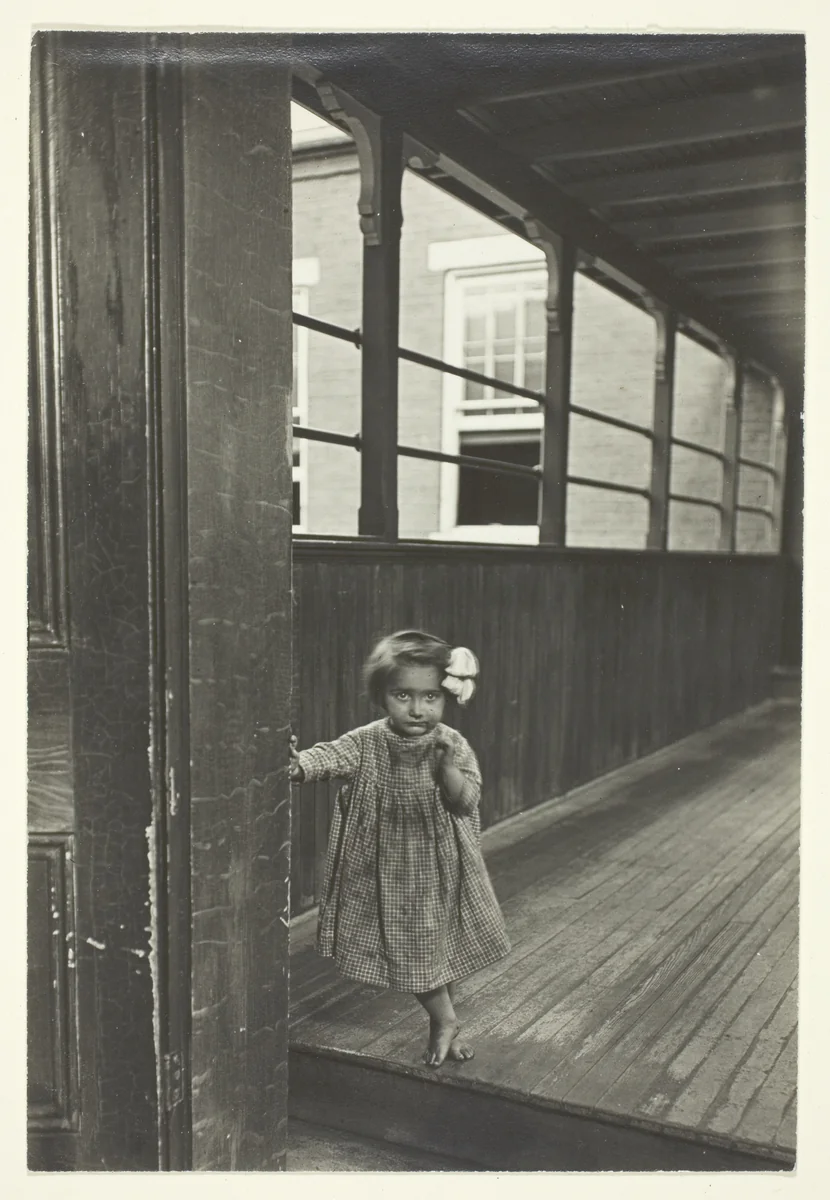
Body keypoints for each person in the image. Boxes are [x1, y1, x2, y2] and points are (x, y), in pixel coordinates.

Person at [289, 629, 510, 1068]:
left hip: (443, 867)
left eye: (430, 697)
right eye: (402, 695)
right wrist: (299, 765)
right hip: (386, 873)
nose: (417, 708)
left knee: (436, 949)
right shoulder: (367, 741)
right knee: (415, 950)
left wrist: (446, 766)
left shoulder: (450, 743)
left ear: (446, 697)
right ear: (380, 697)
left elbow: (465, 801)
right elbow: (329, 757)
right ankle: (445, 1020)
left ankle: (443, 1022)